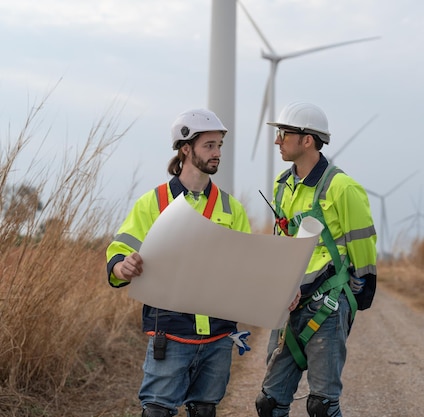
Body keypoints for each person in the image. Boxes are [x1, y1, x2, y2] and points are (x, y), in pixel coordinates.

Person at [106, 108, 252, 417]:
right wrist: (122, 267)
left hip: (219, 334)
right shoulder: (153, 202)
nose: (217, 153)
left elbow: (248, 267)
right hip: (170, 333)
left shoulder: (231, 208)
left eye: (220, 146)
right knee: (157, 411)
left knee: (205, 410)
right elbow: (120, 251)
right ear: (185, 149)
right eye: (209, 146)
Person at [255, 102, 377, 417]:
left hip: (329, 301)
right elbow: (282, 241)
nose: (276, 140)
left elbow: (363, 244)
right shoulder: (282, 186)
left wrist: (359, 291)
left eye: (283, 133)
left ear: (307, 140)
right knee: (268, 404)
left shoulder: (342, 187)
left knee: (321, 406)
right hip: (291, 298)